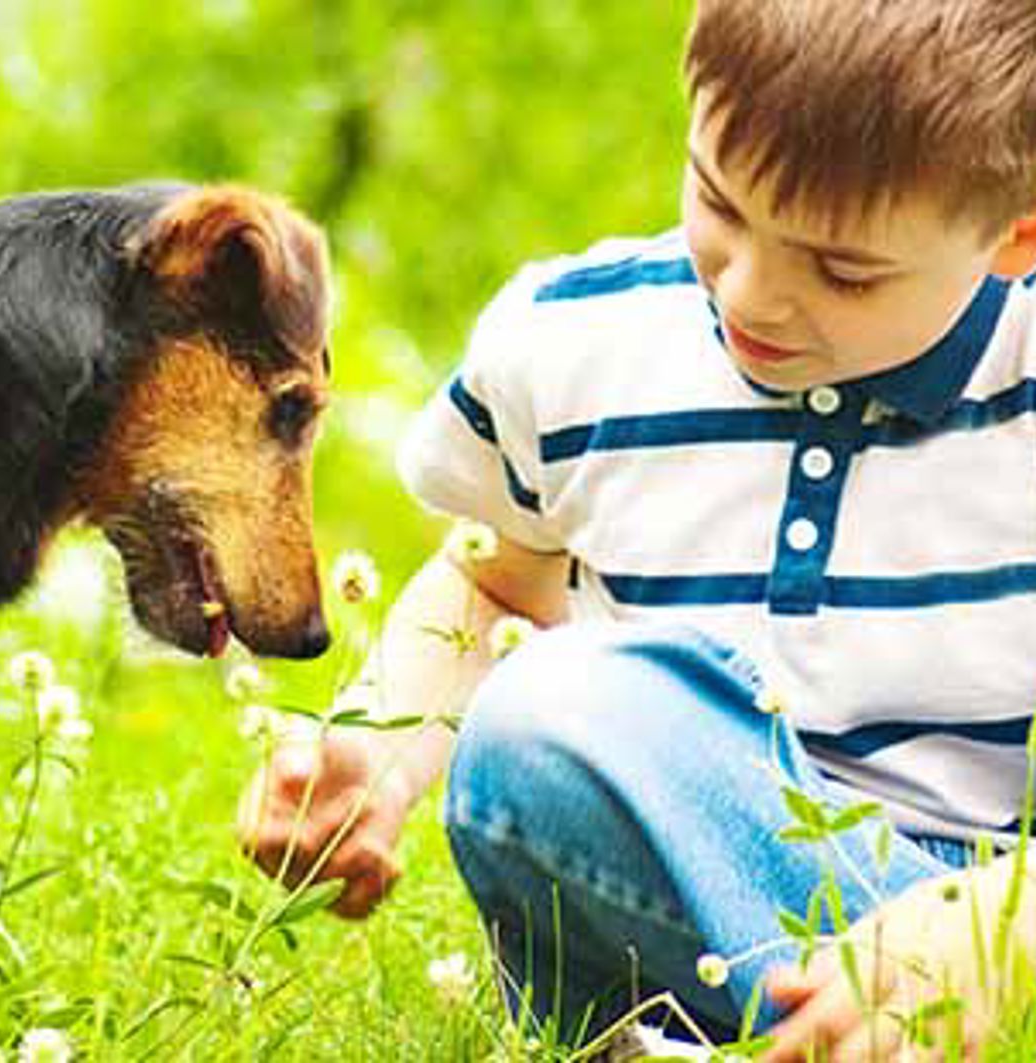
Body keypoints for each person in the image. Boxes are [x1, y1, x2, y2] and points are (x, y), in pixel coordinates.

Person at [236, 1, 1036, 1057]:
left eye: (842, 271)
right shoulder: (580, 338)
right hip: (656, 884)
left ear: (1015, 235)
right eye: (719, 202)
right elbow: (494, 583)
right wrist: (381, 748)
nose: (751, 293)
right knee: (550, 714)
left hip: (964, 915)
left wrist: (1004, 932)